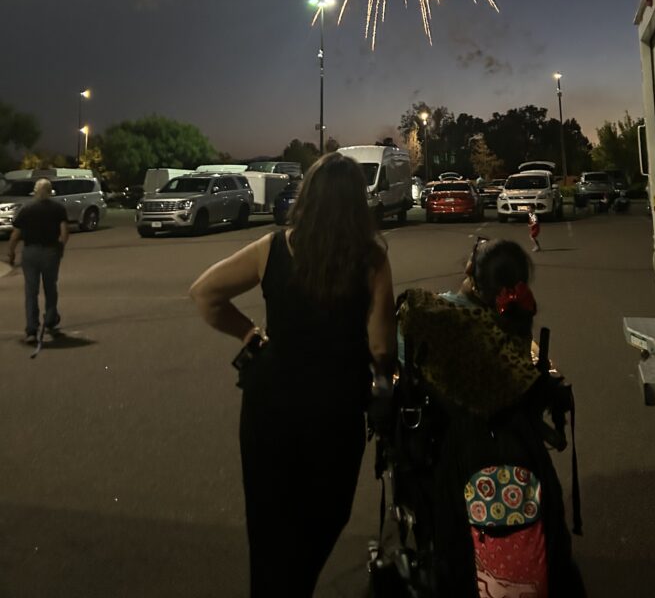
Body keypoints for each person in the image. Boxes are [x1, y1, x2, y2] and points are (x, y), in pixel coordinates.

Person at [190, 152, 396, 598]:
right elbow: (381, 346)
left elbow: (205, 293)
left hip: (271, 403)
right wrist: (384, 377)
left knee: (269, 525)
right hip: (336, 406)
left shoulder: (274, 247)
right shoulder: (371, 260)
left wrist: (248, 334)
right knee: (326, 514)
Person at [397, 237, 584, 597]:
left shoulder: (449, 318)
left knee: (456, 547)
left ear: (470, 272)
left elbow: (406, 324)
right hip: (525, 451)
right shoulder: (514, 326)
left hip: (465, 455)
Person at [7, 178, 69, 343]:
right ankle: (50, 318)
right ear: (50, 192)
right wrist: (60, 248)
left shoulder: (26, 209)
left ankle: (31, 329)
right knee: (50, 286)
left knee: (31, 291)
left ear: (35, 191)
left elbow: (15, 235)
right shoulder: (58, 209)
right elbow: (64, 233)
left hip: (30, 252)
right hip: (50, 251)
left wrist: (11, 253)